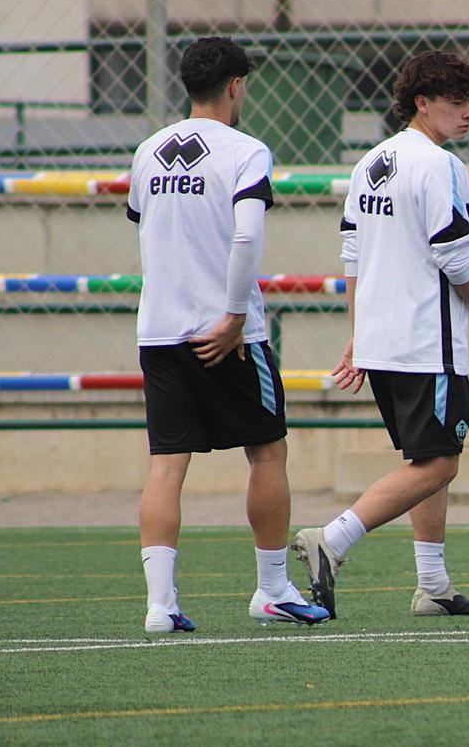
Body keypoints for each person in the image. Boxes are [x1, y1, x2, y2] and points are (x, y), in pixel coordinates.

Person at [129, 37, 329, 632]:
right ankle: (272, 589)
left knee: (166, 465)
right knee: (267, 450)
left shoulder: (147, 151)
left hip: (159, 330)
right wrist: (235, 315)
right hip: (227, 333)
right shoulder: (246, 151)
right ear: (236, 85)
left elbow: (146, 226)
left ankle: (160, 604)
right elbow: (245, 235)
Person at [292, 51, 469, 619]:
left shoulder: (369, 162)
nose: (468, 114)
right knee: (441, 464)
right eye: (456, 103)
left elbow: (352, 254)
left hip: (385, 342)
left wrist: (359, 334)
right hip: (425, 343)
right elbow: (454, 254)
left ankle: (432, 585)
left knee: (426, 460)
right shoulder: (440, 165)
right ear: (421, 103)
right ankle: (332, 539)